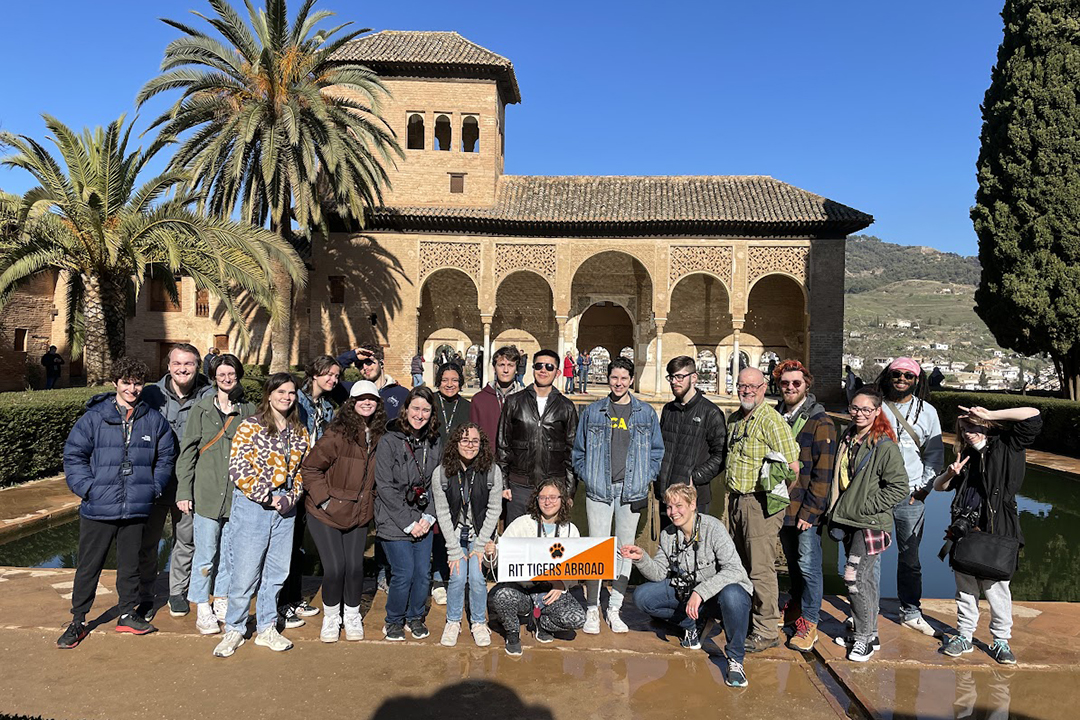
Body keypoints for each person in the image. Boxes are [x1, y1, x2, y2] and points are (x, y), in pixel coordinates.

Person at [57, 357, 176, 649]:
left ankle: (126, 613)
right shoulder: (94, 417)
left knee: (130, 565)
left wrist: (154, 487)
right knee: (88, 566)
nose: (132, 388)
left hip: (136, 506)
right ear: (115, 383)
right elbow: (74, 456)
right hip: (99, 506)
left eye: (137, 383)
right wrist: (88, 488)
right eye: (126, 382)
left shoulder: (153, 419)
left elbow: (166, 457)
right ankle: (78, 620)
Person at [934, 404, 1041, 665]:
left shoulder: (1008, 446)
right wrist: (950, 473)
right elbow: (939, 487)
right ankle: (964, 636)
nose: (970, 432)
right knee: (966, 590)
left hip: (999, 528)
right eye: (964, 428)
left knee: (997, 589)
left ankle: (1001, 640)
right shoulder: (966, 457)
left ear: (986, 425)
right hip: (965, 530)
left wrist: (990, 415)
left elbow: (1033, 415)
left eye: (974, 426)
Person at [213, 373, 310, 658]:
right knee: (245, 572)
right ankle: (235, 628)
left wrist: (292, 496)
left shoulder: (299, 431)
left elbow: (304, 470)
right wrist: (268, 496)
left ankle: (267, 626)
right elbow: (238, 468)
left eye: (291, 392)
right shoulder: (250, 427)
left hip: (286, 508)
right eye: (281, 391)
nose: (286, 397)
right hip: (254, 506)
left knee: (277, 572)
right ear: (269, 394)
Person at [622, 483, 754, 688]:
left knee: (734, 595)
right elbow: (658, 573)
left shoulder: (713, 528)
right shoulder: (668, 535)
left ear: (693, 504)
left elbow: (735, 570)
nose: (673, 512)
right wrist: (641, 558)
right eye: (669, 507)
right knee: (642, 597)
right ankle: (690, 625)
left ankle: (735, 660)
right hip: (689, 595)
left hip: (718, 596)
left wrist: (700, 592)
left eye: (678, 506)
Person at [572, 357, 663, 635]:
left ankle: (614, 607)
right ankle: (591, 608)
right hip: (600, 489)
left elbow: (656, 452)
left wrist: (645, 477)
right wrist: (589, 476)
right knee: (597, 549)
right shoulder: (593, 411)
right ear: (608, 379)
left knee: (626, 549)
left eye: (624, 378)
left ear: (631, 380)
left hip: (631, 489)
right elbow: (579, 451)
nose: (619, 383)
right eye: (614, 378)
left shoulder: (645, 413)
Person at [301, 380, 386, 643]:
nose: (366, 402)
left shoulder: (381, 435)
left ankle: (351, 615)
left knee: (355, 567)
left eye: (371, 398)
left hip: (358, 512)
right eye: (361, 398)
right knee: (335, 568)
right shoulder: (337, 433)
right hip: (326, 511)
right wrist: (324, 500)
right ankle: (331, 616)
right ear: (352, 402)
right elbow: (310, 468)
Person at [176, 354, 256, 635]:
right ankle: (201, 605)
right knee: (206, 553)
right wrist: (184, 490)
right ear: (213, 377)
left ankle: (221, 598)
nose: (226, 378)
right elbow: (187, 453)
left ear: (238, 375)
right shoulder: (201, 410)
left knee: (230, 554)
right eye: (221, 374)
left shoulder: (248, 410)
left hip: (236, 494)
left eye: (231, 374)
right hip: (207, 492)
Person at [827, 386, 908, 662]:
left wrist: (866, 506)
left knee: (854, 578)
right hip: (849, 519)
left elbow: (899, 488)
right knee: (865, 581)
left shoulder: (884, 445)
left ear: (877, 411)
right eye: (854, 408)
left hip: (870, 523)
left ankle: (863, 640)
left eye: (865, 409)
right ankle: (869, 632)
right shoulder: (849, 436)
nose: (859, 413)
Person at [723, 367, 799, 653]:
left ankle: (767, 629)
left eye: (753, 386)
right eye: (743, 386)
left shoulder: (771, 420)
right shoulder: (736, 420)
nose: (747, 391)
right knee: (741, 566)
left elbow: (793, 467)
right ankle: (746, 620)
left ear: (764, 388)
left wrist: (775, 501)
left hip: (759, 503)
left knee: (760, 570)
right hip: (737, 501)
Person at [138, 342, 214, 620]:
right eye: (177, 364)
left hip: (191, 484)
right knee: (148, 541)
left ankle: (176, 593)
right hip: (155, 482)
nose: (183, 369)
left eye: (189, 364)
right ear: (168, 366)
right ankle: (145, 594)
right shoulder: (150, 395)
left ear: (198, 366)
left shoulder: (210, 395)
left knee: (186, 541)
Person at [874, 357, 944, 637]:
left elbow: (935, 454)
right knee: (868, 556)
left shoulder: (927, 412)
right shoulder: (875, 407)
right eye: (897, 374)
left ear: (917, 380)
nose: (901, 379)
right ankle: (865, 611)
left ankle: (911, 611)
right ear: (888, 376)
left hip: (910, 494)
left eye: (908, 375)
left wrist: (924, 489)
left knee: (910, 557)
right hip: (876, 493)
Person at [772, 359, 836, 652]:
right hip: (782, 505)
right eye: (785, 383)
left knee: (809, 566)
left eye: (796, 383)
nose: (790, 388)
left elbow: (824, 472)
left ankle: (810, 622)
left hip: (804, 510)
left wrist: (811, 512)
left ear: (806, 385)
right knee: (793, 565)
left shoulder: (820, 421)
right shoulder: (776, 415)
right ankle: (796, 609)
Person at [486, 479, 587, 656]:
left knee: (578, 619)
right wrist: (491, 554)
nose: (548, 502)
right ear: (536, 500)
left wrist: (562, 584)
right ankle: (512, 633)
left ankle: (543, 624)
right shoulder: (522, 523)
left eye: (553, 497)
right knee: (500, 596)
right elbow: (496, 563)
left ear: (562, 499)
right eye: (543, 497)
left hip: (549, 593)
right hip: (522, 590)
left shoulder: (571, 530)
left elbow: (575, 569)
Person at [374, 386, 442, 641]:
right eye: (416, 408)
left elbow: (438, 482)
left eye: (426, 410)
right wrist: (409, 523)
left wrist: (428, 517)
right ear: (406, 409)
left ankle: (415, 617)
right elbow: (384, 487)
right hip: (394, 518)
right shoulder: (389, 441)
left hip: (422, 515)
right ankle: (394, 619)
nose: (420, 414)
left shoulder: (434, 442)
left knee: (423, 572)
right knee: (403, 571)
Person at [280, 355, 342, 628]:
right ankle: (281, 604)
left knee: (299, 545)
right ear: (314, 373)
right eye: (328, 374)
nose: (332, 379)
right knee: (286, 544)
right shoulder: (298, 401)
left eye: (336, 376)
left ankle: (294, 598)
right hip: (293, 479)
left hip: (312, 481)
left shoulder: (326, 407)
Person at [432, 423, 503, 647]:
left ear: (481, 444)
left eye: (474, 441)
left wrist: (480, 545)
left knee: (476, 576)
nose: (470, 445)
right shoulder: (441, 472)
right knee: (457, 575)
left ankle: (478, 622)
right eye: (464, 440)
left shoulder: (492, 471)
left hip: (480, 534)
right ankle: (453, 621)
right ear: (455, 443)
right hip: (455, 533)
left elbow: (494, 509)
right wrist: (453, 550)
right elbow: (442, 512)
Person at [497, 348, 579, 523]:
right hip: (520, 485)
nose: (543, 370)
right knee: (517, 540)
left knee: (549, 545)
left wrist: (569, 491)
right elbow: (503, 444)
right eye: (539, 365)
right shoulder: (514, 402)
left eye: (549, 367)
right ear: (532, 369)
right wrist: (504, 484)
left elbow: (572, 452)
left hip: (553, 488)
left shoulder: (566, 407)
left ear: (557, 373)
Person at [657, 356, 726, 520]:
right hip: (667, 497)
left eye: (680, 377)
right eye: (671, 377)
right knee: (667, 544)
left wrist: (694, 477)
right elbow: (660, 448)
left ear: (694, 377)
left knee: (694, 544)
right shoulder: (668, 410)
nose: (675, 382)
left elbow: (721, 455)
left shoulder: (711, 413)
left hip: (693, 497)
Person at [430, 361, 472, 605]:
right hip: (433, 471)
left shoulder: (467, 406)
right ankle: (437, 577)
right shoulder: (431, 402)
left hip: (459, 473)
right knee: (437, 525)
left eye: (454, 380)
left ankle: (456, 575)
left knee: (456, 525)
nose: (449, 384)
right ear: (438, 381)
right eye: (445, 380)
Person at [336, 344, 410, 421]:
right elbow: (329, 373)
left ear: (381, 363)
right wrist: (352, 355)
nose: (364, 367)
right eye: (359, 365)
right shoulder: (352, 390)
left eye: (368, 362)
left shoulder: (401, 393)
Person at [469, 346, 525, 445]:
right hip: (487, 457)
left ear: (516, 368)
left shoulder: (525, 399)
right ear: (494, 367)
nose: (506, 370)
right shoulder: (479, 399)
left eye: (510, 365)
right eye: (501, 365)